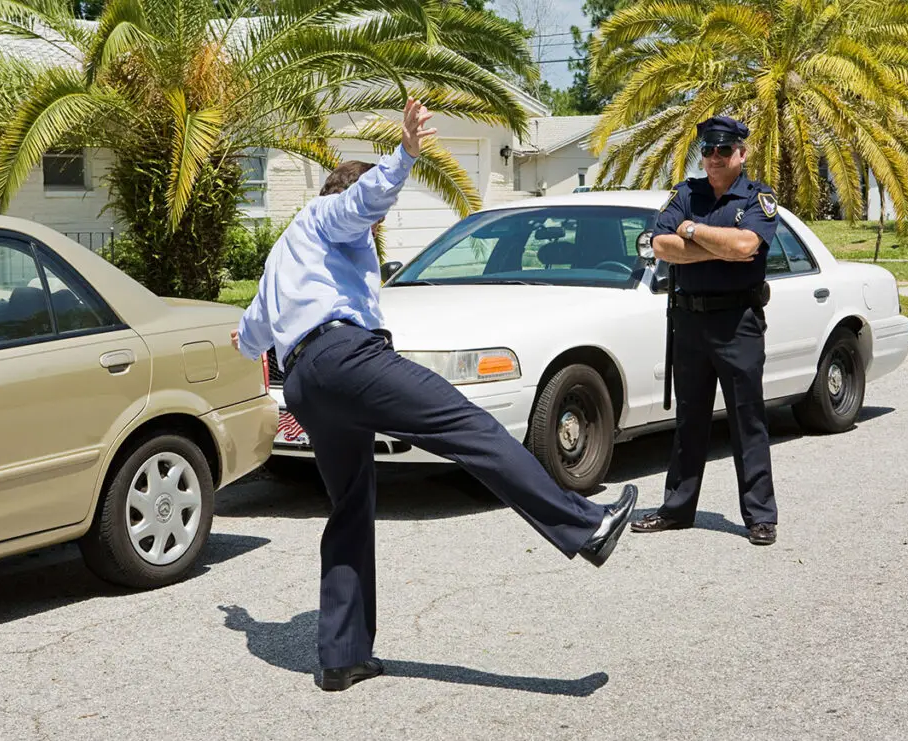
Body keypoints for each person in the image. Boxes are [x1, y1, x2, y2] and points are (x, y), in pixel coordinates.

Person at [231, 98, 637, 692]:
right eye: (372, 225)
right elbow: (358, 202)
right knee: (471, 429)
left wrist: (242, 623)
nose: (374, 231)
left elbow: (250, 338)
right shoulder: (325, 219)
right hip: (348, 358)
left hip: (305, 382)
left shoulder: (280, 258)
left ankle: (342, 656)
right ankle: (584, 525)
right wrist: (405, 156)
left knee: (349, 509)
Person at [630, 115, 779, 546]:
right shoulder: (684, 193)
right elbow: (660, 246)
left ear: (741, 153)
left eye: (723, 150)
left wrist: (691, 231)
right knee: (689, 420)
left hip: (738, 324)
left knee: (747, 421)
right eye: (707, 151)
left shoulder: (758, 197)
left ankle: (759, 516)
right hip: (689, 322)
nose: (713, 158)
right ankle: (677, 509)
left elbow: (747, 246)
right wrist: (719, 245)